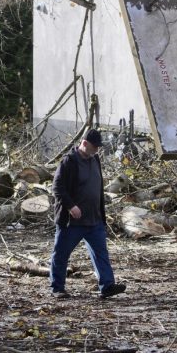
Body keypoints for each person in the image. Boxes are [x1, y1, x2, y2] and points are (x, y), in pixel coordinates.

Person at [49, 128, 126, 299]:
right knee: (61, 253)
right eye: (94, 147)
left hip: (94, 219)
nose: (97, 150)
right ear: (84, 144)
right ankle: (57, 288)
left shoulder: (95, 159)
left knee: (101, 254)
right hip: (72, 221)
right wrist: (71, 206)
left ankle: (107, 286)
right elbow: (57, 188)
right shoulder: (68, 161)